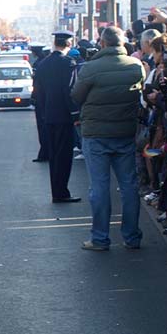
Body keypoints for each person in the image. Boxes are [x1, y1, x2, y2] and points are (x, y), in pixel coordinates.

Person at [73, 26, 145, 250]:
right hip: (125, 132)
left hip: (96, 134)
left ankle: (100, 238)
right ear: (122, 43)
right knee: (129, 186)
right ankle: (132, 236)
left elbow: (76, 96)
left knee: (100, 187)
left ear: (102, 44)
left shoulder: (90, 68)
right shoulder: (136, 66)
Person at [36, 32, 79, 203]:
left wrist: (44, 112)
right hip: (64, 116)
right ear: (69, 43)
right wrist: (75, 113)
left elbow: (39, 91)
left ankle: (57, 190)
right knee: (64, 156)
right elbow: (70, 90)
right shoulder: (68, 63)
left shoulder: (43, 63)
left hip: (48, 115)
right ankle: (61, 192)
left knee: (54, 155)